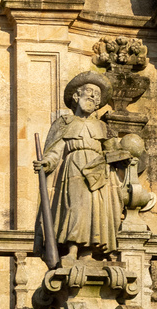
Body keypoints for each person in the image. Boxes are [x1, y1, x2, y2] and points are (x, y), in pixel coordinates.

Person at [33, 70, 123, 261]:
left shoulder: (103, 128)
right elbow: (56, 150)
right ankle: (72, 249)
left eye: (97, 95)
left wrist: (121, 156)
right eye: (89, 91)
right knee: (74, 207)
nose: (92, 96)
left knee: (95, 211)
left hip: (98, 172)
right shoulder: (65, 123)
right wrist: (46, 162)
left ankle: (88, 253)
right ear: (76, 96)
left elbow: (112, 151)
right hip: (73, 167)